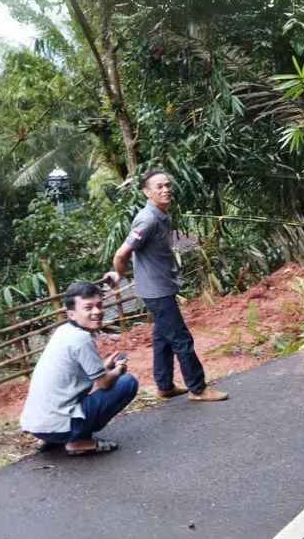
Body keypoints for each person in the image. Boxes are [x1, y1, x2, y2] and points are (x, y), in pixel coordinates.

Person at [103, 169, 228, 402]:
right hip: (156, 291)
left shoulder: (161, 215)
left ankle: (164, 385)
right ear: (147, 192)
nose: (166, 190)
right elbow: (121, 254)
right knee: (181, 339)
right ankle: (198, 389)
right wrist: (119, 275)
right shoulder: (148, 218)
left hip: (161, 287)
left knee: (162, 338)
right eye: (159, 187)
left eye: (168, 185)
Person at [19, 281, 138, 455]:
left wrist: (104, 366)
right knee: (127, 383)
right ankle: (79, 441)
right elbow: (103, 384)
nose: (97, 312)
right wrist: (119, 369)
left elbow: (75, 374)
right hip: (59, 427)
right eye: (88, 308)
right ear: (72, 314)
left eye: (99, 305)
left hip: (37, 425)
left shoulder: (63, 331)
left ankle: (51, 437)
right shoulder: (81, 339)